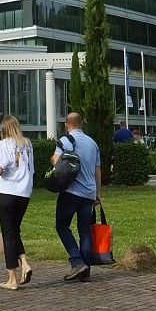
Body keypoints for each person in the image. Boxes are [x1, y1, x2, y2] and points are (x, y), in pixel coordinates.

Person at [53, 112, 100, 282]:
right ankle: (85, 270)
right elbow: (97, 170)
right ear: (82, 123)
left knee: (62, 226)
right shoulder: (93, 143)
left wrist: (53, 157)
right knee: (85, 231)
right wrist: (97, 193)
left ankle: (77, 261)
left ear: (67, 125)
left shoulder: (66, 141)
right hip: (89, 193)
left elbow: (56, 162)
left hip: (71, 192)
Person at [0, 115, 35, 291]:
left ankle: (12, 279)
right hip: (24, 193)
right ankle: (24, 262)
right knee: (14, 230)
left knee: (8, 234)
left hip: (7, 192)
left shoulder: (3, 144)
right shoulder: (27, 144)